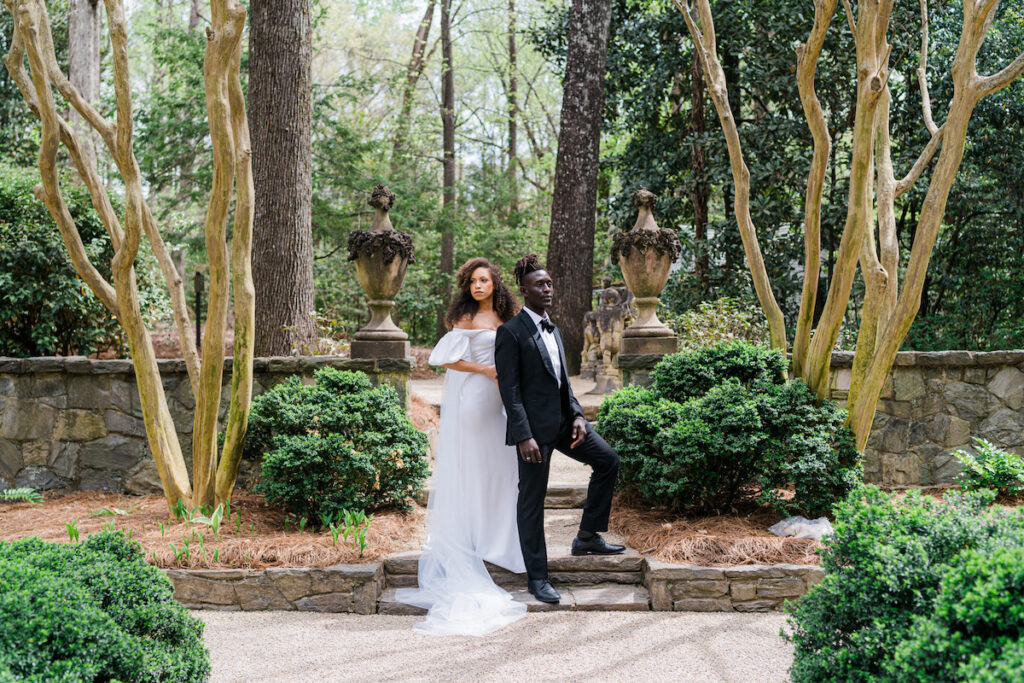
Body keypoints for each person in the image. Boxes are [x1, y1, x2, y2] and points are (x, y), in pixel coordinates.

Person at [395, 258, 528, 636]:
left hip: (502, 401)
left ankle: (499, 536)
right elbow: (444, 359)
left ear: (495, 283)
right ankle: (475, 536)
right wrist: (484, 370)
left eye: (484, 280)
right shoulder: (465, 317)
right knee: (477, 465)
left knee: (502, 468)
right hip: (474, 400)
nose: (478, 286)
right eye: (473, 281)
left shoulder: (507, 315)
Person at [494, 254, 625, 605]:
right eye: (540, 284)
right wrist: (523, 435)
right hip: (534, 436)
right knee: (531, 503)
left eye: (550, 283)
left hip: (567, 425)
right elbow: (510, 390)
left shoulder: (555, 328)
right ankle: (538, 578)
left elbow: (564, 382)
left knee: (608, 461)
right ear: (524, 290)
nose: (548, 288)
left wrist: (579, 415)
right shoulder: (510, 333)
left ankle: (586, 537)